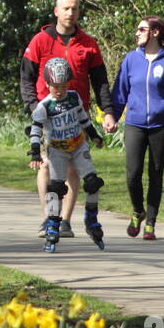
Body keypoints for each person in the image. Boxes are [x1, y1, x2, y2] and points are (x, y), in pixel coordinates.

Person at [21, 0, 116, 238]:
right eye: (66, 9)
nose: (70, 13)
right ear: (56, 12)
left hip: (76, 115)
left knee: (74, 169)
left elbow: (100, 81)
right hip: (48, 116)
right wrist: (34, 107)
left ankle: (65, 221)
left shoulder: (88, 43)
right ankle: (48, 218)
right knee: (46, 166)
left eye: (74, 9)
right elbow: (26, 77)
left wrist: (107, 112)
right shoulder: (40, 40)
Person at [112, 15, 164, 241]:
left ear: (155, 32)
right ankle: (138, 211)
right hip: (135, 124)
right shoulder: (130, 59)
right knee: (132, 174)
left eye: (141, 29)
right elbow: (120, 92)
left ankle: (151, 224)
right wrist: (113, 117)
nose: (136, 33)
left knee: (155, 174)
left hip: (162, 126)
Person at [29, 57, 106, 252]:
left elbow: (83, 118)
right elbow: (35, 130)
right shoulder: (44, 107)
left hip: (79, 145)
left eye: (63, 86)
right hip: (57, 150)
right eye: (55, 86)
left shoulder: (74, 97)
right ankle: (53, 224)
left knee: (92, 182)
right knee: (56, 188)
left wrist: (94, 135)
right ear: (47, 84)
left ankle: (91, 218)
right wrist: (36, 153)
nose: (60, 90)